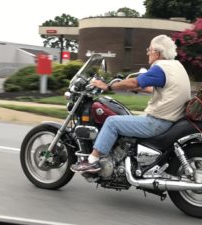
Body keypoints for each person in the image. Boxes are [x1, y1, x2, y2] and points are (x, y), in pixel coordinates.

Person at [71, 34, 191, 173]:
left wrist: (107, 86)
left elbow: (135, 81)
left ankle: (92, 161)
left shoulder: (160, 67)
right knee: (125, 117)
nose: (148, 53)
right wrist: (137, 88)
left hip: (158, 122)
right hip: (171, 120)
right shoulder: (175, 66)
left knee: (112, 122)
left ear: (157, 53)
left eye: (149, 50)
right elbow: (160, 87)